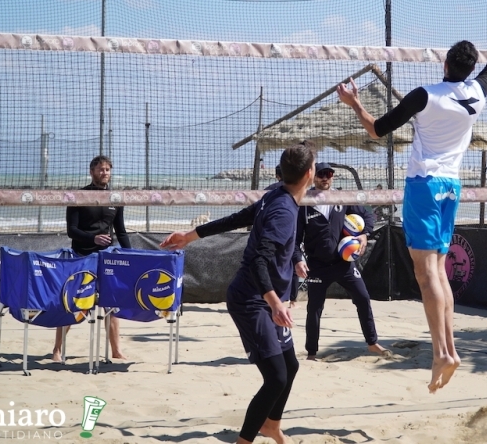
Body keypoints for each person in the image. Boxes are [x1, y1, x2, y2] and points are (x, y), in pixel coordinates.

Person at [336, 2, 487, 393]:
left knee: (425, 273)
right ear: (468, 67)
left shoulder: (425, 95)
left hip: (425, 185)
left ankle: (442, 352)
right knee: (439, 270)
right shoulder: (477, 93)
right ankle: (447, 348)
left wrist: (354, 103)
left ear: (446, 65)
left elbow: (377, 130)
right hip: (451, 187)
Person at [160, 142, 315, 444]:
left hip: (266, 298)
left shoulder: (276, 195)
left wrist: (190, 236)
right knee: (276, 378)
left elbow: (239, 218)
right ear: (310, 173)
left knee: (291, 367)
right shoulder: (283, 210)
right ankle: (245, 441)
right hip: (251, 300)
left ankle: (271, 424)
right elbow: (258, 259)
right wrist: (274, 303)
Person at [293, 162, 388, 361]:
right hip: (317, 265)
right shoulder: (304, 203)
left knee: (363, 298)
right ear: (313, 177)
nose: (325, 177)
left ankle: (372, 343)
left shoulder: (342, 198)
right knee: (314, 308)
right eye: (321, 174)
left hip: (343, 263)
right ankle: (311, 353)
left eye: (329, 174)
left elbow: (367, 216)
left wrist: (364, 234)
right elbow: (295, 238)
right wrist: (298, 259)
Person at [54, 155, 131, 363]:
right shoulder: (79, 196)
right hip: (82, 257)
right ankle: (57, 350)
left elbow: (121, 232)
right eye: (100, 169)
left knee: (112, 304)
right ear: (91, 172)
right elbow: (72, 231)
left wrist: (130, 256)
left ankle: (116, 350)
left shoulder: (116, 198)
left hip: (106, 259)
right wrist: (93, 237)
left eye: (107, 169)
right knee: (74, 303)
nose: (104, 173)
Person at [264, 164, 299, 307]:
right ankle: (293, 300)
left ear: (277, 175)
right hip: (290, 231)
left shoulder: (268, 190)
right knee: (292, 263)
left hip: (270, 233)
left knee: (267, 265)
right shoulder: (295, 190)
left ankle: (271, 298)